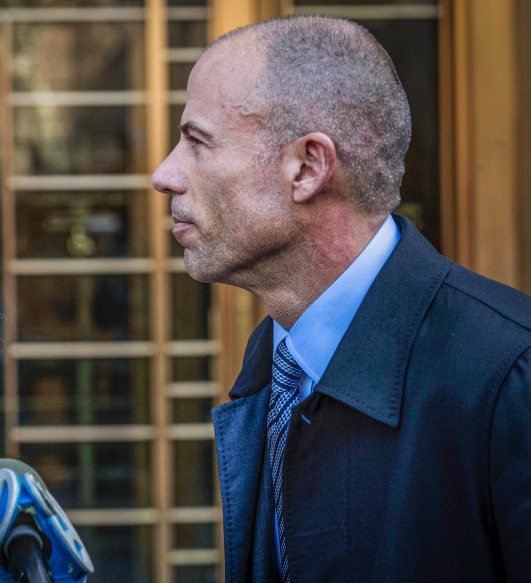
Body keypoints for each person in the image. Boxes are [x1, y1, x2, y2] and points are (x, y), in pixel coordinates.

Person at [151, 15, 530, 583]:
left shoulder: (510, 374)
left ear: (307, 167)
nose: (165, 174)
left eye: (197, 142)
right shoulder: (277, 362)